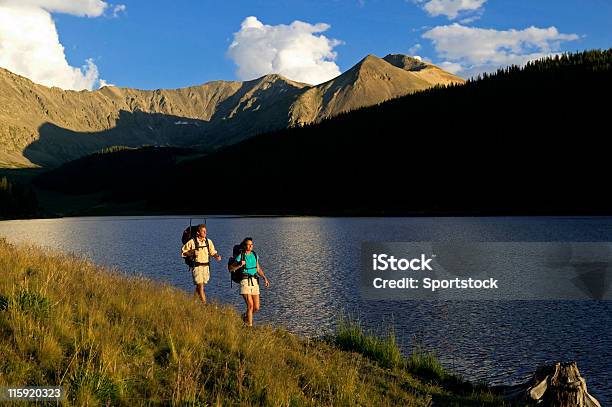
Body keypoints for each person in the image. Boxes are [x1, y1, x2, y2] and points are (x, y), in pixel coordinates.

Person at [229, 237, 270, 326]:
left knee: (256, 307)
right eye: (248, 244)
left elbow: (258, 268)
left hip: (254, 281)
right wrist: (239, 265)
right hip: (245, 281)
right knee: (250, 305)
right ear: (245, 245)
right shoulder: (241, 256)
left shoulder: (255, 255)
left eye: (251, 244)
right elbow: (231, 268)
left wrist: (264, 278)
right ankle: (250, 327)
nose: (250, 246)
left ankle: (245, 316)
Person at [181, 224, 221, 304]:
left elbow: (212, 252)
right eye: (203, 231)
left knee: (199, 286)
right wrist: (192, 252)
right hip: (197, 266)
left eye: (205, 231)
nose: (205, 232)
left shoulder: (208, 241)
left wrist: (217, 256)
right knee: (201, 286)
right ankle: (205, 305)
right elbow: (183, 252)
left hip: (206, 267)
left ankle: (193, 302)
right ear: (198, 233)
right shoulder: (192, 242)